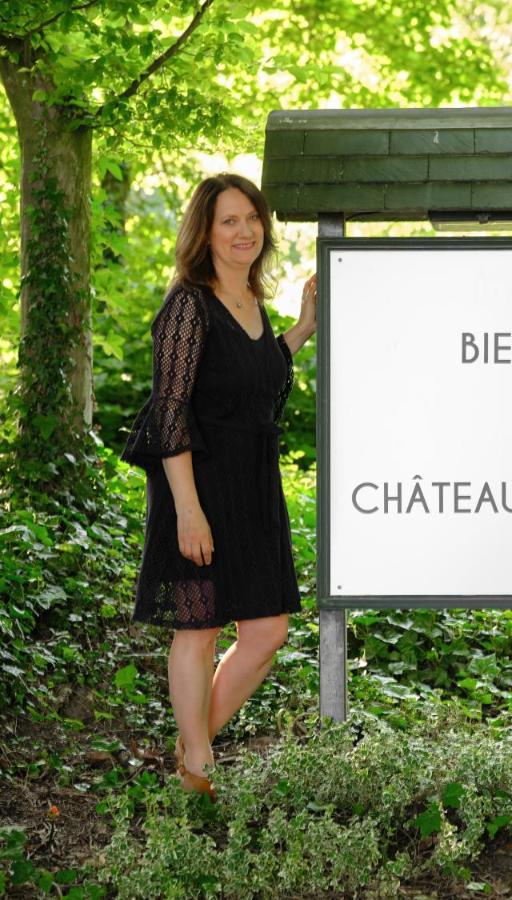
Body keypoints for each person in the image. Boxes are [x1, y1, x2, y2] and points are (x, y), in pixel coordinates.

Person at [122, 173, 317, 799]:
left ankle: (189, 746)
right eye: (228, 220)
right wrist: (187, 510)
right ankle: (199, 768)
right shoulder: (188, 304)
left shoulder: (253, 304)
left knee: (267, 632)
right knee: (199, 626)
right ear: (204, 231)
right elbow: (170, 411)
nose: (243, 231)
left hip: (254, 484)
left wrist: (305, 327)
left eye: (251, 219)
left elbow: (255, 376)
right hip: (197, 483)